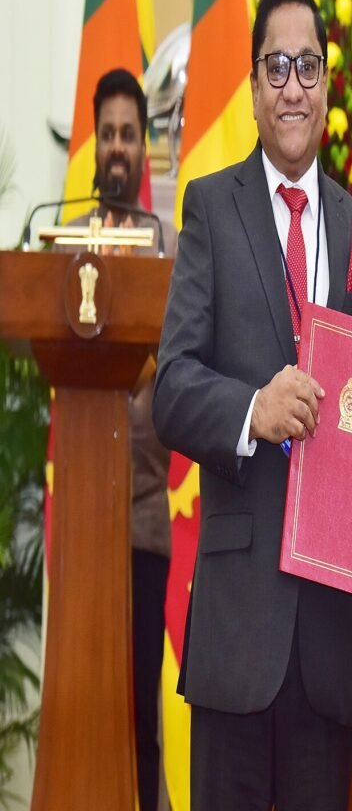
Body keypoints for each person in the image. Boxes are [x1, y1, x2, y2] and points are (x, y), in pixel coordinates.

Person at [151, 0, 352, 811]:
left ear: (329, 82)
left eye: (308, 66)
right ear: (256, 84)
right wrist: (251, 411)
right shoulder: (210, 210)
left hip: (328, 648)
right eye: (276, 67)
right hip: (235, 643)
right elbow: (174, 389)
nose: (292, 85)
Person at [72, 68, 177, 811]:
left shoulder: (169, 248)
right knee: (84, 715)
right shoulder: (64, 241)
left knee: (139, 717)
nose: (116, 148)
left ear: (145, 148)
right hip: (79, 521)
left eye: (127, 135)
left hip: (141, 519)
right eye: (106, 135)